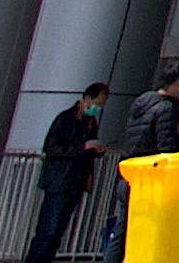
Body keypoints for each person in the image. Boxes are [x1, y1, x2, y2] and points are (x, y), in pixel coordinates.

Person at [32, 82, 109, 263]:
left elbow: (85, 148)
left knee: (57, 233)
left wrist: (97, 150)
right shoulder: (66, 119)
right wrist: (83, 147)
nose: (98, 108)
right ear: (87, 99)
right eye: (97, 103)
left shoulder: (90, 123)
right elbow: (52, 148)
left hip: (74, 181)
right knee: (47, 231)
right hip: (59, 181)